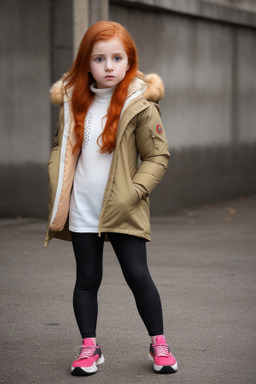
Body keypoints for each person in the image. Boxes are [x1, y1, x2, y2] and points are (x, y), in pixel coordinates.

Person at [44, 20, 177, 376]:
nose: (108, 66)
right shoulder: (74, 101)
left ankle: (159, 344)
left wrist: (134, 193)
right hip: (82, 210)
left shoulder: (140, 104)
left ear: (129, 60)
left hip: (124, 209)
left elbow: (157, 156)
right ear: (86, 62)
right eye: (99, 59)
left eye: (117, 58)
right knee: (86, 279)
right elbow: (61, 146)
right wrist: (56, 177)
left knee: (138, 275)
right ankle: (90, 348)